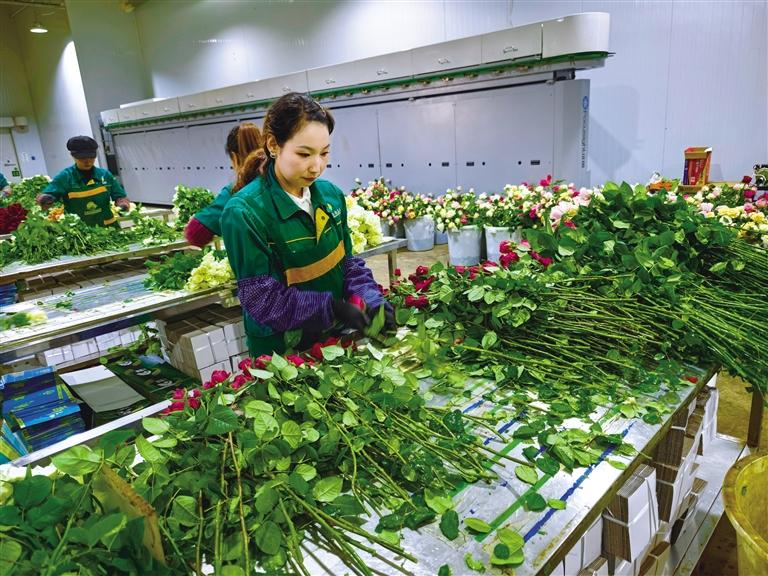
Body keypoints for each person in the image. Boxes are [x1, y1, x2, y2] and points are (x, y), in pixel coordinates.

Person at [221, 92, 392, 357]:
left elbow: (348, 263)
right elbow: (262, 299)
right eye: (304, 154)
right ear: (273, 145)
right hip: (282, 353)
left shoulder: (331, 196)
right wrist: (332, 308)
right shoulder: (244, 213)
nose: (316, 166)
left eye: (324, 153)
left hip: (333, 337)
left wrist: (369, 298)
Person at [184, 122, 262, 247]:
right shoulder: (280, 180)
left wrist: (197, 220)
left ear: (234, 156)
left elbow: (195, 234)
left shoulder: (236, 191)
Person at [36, 136, 131, 226]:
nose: (88, 161)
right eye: (82, 158)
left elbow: (120, 196)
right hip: (79, 230)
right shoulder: (65, 177)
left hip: (108, 226)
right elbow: (48, 195)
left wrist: (123, 205)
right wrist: (45, 200)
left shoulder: (105, 175)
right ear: (73, 156)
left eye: (91, 157)